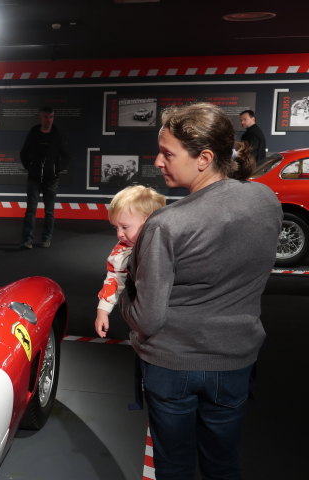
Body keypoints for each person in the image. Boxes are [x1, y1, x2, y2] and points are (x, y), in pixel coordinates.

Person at [119, 102, 282, 480]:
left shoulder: (167, 224)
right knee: (223, 463)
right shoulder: (267, 201)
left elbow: (148, 317)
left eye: (167, 153)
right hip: (235, 362)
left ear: (204, 158)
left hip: (171, 367)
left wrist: (126, 291)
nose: (158, 162)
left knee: (174, 466)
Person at [94, 185, 165, 338]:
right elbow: (113, 280)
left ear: (149, 221)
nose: (119, 234)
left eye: (125, 227)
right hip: (145, 316)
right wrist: (103, 311)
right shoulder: (121, 252)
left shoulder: (168, 243)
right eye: (116, 228)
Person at [20, 106, 70, 248]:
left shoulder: (57, 134)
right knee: (31, 211)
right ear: (40, 117)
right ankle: (27, 240)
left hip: (51, 180)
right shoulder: (34, 132)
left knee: (49, 212)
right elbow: (24, 153)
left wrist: (56, 170)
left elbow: (66, 156)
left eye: (51, 117)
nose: (49, 120)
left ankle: (46, 238)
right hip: (34, 178)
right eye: (46, 117)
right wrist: (30, 167)